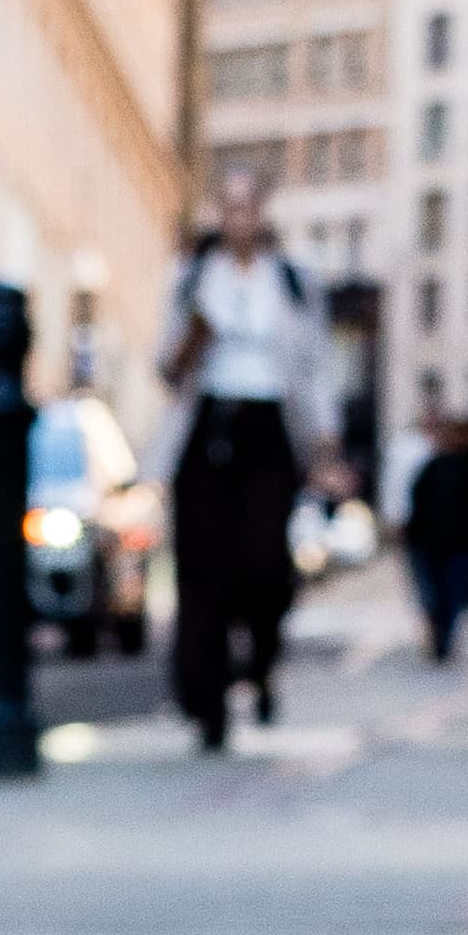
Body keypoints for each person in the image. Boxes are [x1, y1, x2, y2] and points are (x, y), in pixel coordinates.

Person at [156, 166, 333, 750]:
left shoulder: (292, 282)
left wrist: (326, 447)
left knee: (264, 566)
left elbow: (315, 370)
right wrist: (195, 335)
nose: (238, 219)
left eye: (248, 207)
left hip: (269, 432)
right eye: (228, 207)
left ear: (263, 212)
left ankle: (260, 660)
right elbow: (166, 369)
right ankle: (207, 705)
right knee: (202, 573)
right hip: (208, 427)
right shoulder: (190, 278)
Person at [402, 412, 468, 662]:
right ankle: (440, 635)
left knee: (451, 592)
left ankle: (443, 637)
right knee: (436, 594)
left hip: (459, 544)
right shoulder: (434, 466)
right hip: (433, 542)